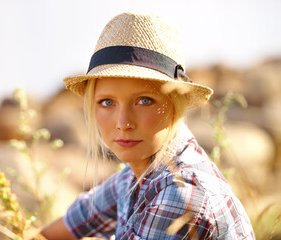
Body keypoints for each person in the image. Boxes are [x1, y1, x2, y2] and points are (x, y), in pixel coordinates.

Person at [41, 12, 255, 240]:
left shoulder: (180, 192)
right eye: (107, 102)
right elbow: (65, 227)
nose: (123, 123)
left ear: (176, 104)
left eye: (144, 101)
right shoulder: (137, 174)